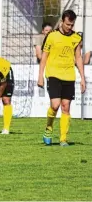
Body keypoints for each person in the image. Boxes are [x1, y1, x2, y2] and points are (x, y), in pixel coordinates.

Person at [38, 10, 86, 146]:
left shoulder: (76, 38)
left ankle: (63, 139)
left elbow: (78, 58)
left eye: (72, 25)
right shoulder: (51, 36)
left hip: (69, 76)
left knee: (66, 107)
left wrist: (82, 78)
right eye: (67, 24)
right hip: (53, 74)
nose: (69, 27)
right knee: (55, 105)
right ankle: (48, 128)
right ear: (62, 22)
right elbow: (44, 57)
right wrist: (40, 76)